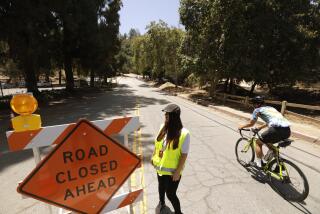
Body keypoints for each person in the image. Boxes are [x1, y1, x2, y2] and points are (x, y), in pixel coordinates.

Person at [151, 104, 190, 214]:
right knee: (161, 186)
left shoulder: (184, 133)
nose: (165, 116)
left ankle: (178, 212)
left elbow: (184, 155)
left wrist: (178, 171)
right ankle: (162, 202)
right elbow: (157, 144)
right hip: (160, 167)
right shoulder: (162, 126)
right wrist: (153, 156)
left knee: (171, 194)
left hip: (173, 171)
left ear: (174, 117)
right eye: (165, 114)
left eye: (167, 115)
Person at [238, 96, 291, 168]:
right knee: (270, 145)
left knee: (257, 142)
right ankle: (280, 166)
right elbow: (271, 121)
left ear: (257, 104)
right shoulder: (271, 108)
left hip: (276, 130)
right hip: (287, 130)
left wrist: (241, 127)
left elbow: (251, 123)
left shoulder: (257, 110)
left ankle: (259, 164)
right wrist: (260, 127)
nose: (253, 106)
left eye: (253, 104)